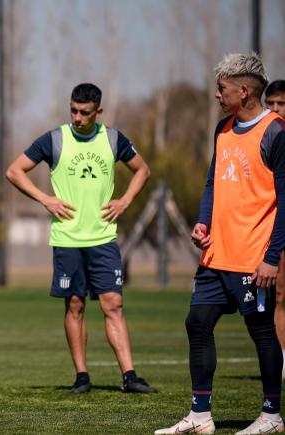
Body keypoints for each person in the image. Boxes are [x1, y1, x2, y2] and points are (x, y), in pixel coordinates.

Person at [156, 53, 285, 435]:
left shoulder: (276, 132)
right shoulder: (223, 129)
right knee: (197, 323)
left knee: (261, 332)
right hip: (216, 255)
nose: (216, 94)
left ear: (243, 90)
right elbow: (214, 182)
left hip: (253, 258)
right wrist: (202, 222)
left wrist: (272, 257)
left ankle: (271, 416)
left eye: (222, 88)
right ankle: (199, 417)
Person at [6, 83, 155, 394]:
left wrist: (124, 201)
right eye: (73, 110)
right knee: (74, 305)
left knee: (113, 304)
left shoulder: (113, 139)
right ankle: (82, 376)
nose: (77, 117)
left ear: (97, 112)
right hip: (67, 238)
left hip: (103, 237)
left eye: (84, 112)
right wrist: (45, 199)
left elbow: (142, 171)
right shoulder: (54, 139)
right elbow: (14, 171)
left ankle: (129, 376)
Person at [265, 79, 285, 380]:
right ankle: (281, 361)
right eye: (270, 104)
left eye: (281, 104)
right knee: (279, 295)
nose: (275, 110)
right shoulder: (268, 138)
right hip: (277, 226)